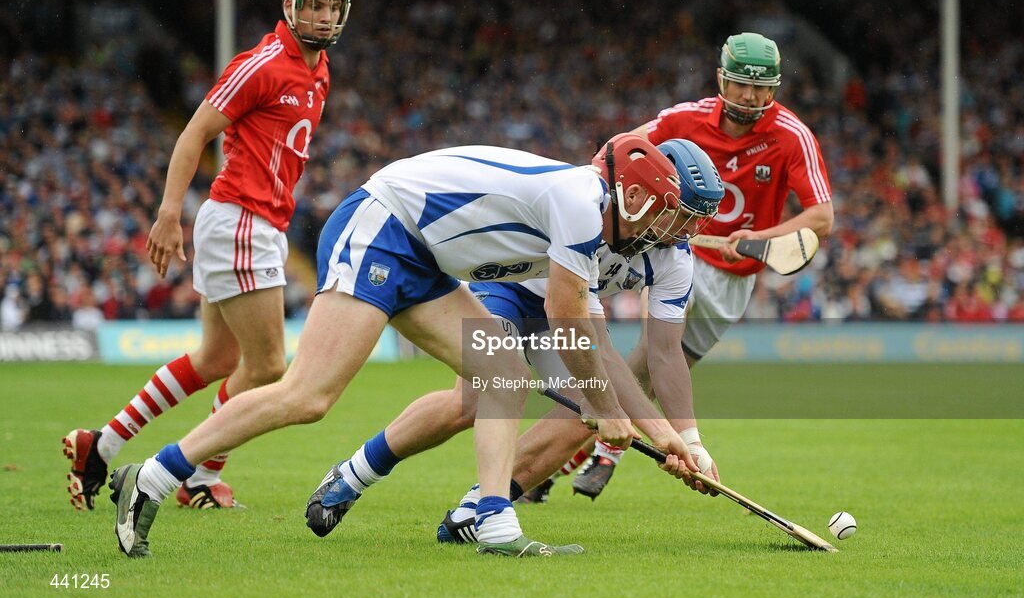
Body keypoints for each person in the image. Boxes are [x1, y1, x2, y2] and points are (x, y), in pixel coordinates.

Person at [108, 136, 700, 559]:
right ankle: (157, 475)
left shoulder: (597, 217)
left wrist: (667, 436)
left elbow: (589, 334)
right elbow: (566, 315)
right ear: (637, 200)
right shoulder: (581, 204)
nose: (670, 233)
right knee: (309, 395)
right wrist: (604, 409)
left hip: (429, 258)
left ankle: (493, 520)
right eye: (666, 215)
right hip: (384, 227)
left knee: (503, 373)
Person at [299, 139, 724, 542]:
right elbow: (595, 342)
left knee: (587, 410)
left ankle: (476, 508)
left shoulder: (676, 261)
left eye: (696, 219)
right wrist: (654, 428)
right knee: (474, 398)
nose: (687, 229)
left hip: (567, 313)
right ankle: (354, 474)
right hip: (514, 291)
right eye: (682, 214)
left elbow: (665, 355)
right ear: (648, 193)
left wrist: (689, 442)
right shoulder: (603, 219)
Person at [62, 0, 352, 511]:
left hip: (253, 222)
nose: (324, 15)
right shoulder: (263, 63)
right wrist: (169, 212)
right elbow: (195, 131)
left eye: (332, 7)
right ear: (290, 6)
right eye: (313, 4)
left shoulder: (321, 71)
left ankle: (100, 444)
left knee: (217, 359)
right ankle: (195, 472)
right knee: (268, 367)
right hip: (243, 219)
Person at [569, 31, 834, 498]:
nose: (751, 97)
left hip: (735, 281)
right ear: (720, 79)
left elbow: (821, 217)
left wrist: (757, 238)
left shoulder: (792, 136)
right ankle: (595, 455)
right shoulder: (684, 119)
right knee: (647, 356)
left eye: (762, 87)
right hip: (675, 253)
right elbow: (617, 150)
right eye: (740, 84)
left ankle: (577, 451)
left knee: (653, 375)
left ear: (775, 88)